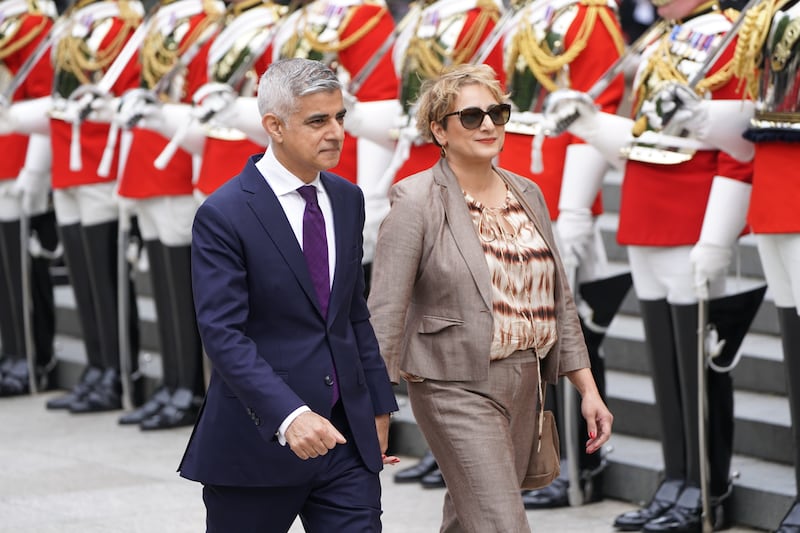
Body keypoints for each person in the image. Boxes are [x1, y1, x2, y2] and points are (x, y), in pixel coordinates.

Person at [543, 0, 765, 529]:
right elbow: (642, 140)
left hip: (692, 211)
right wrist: (593, 123)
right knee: (665, 362)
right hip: (645, 210)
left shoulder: (730, 34)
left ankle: (705, 483)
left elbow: (740, 144)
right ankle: (675, 477)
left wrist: (717, 234)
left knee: (696, 362)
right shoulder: (655, 42)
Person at [367, 63, 613, 533]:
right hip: (451, 386)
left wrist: (588, 389)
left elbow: (558, 299)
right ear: (438, 129)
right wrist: (378, 411)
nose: (487, 126)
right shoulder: (416, 201)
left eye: (497, 114)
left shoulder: (528, 193)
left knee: (469, 518)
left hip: (527, 383)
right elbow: (385, 316)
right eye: (471, 116)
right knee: (502, 523)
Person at [178, 58, 399, 532]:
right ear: (274, 126)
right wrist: (289, 415)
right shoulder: (224, 213)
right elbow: (222, 335)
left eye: (339, 117)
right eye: (317, 121)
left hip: (345, 445)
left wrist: (379, 405)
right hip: (257, 443)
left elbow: (352, 313)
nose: (336, 132)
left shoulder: (347, 198)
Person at [499, 0, 630, 507]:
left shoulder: (588, 16)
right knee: (521, 333)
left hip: (561, 197)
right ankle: (532, 459)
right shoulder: (528, 17)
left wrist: (575, 207)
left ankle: (583, 462)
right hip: (516, 188)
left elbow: (595, 115)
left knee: (571, 340)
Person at [0, 0, 145, 412]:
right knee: (83, 275)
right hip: (67, 160)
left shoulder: (119, 22)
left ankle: (118, 370)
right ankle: (98, 367)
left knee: (103, 276)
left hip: (98, 160)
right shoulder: (70, 24)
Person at [272, 0, 401, 291]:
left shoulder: (364, 16)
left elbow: (376, 108)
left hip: (341, 170)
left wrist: (371, 201)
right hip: (294, 171)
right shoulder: (299, 19)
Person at [0, 0, 60, 396]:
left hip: (16, 157)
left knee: (19, 268)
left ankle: (33, 357)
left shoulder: (31, 21)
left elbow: (42, 99)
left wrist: (35, 171)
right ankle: (11, 353)